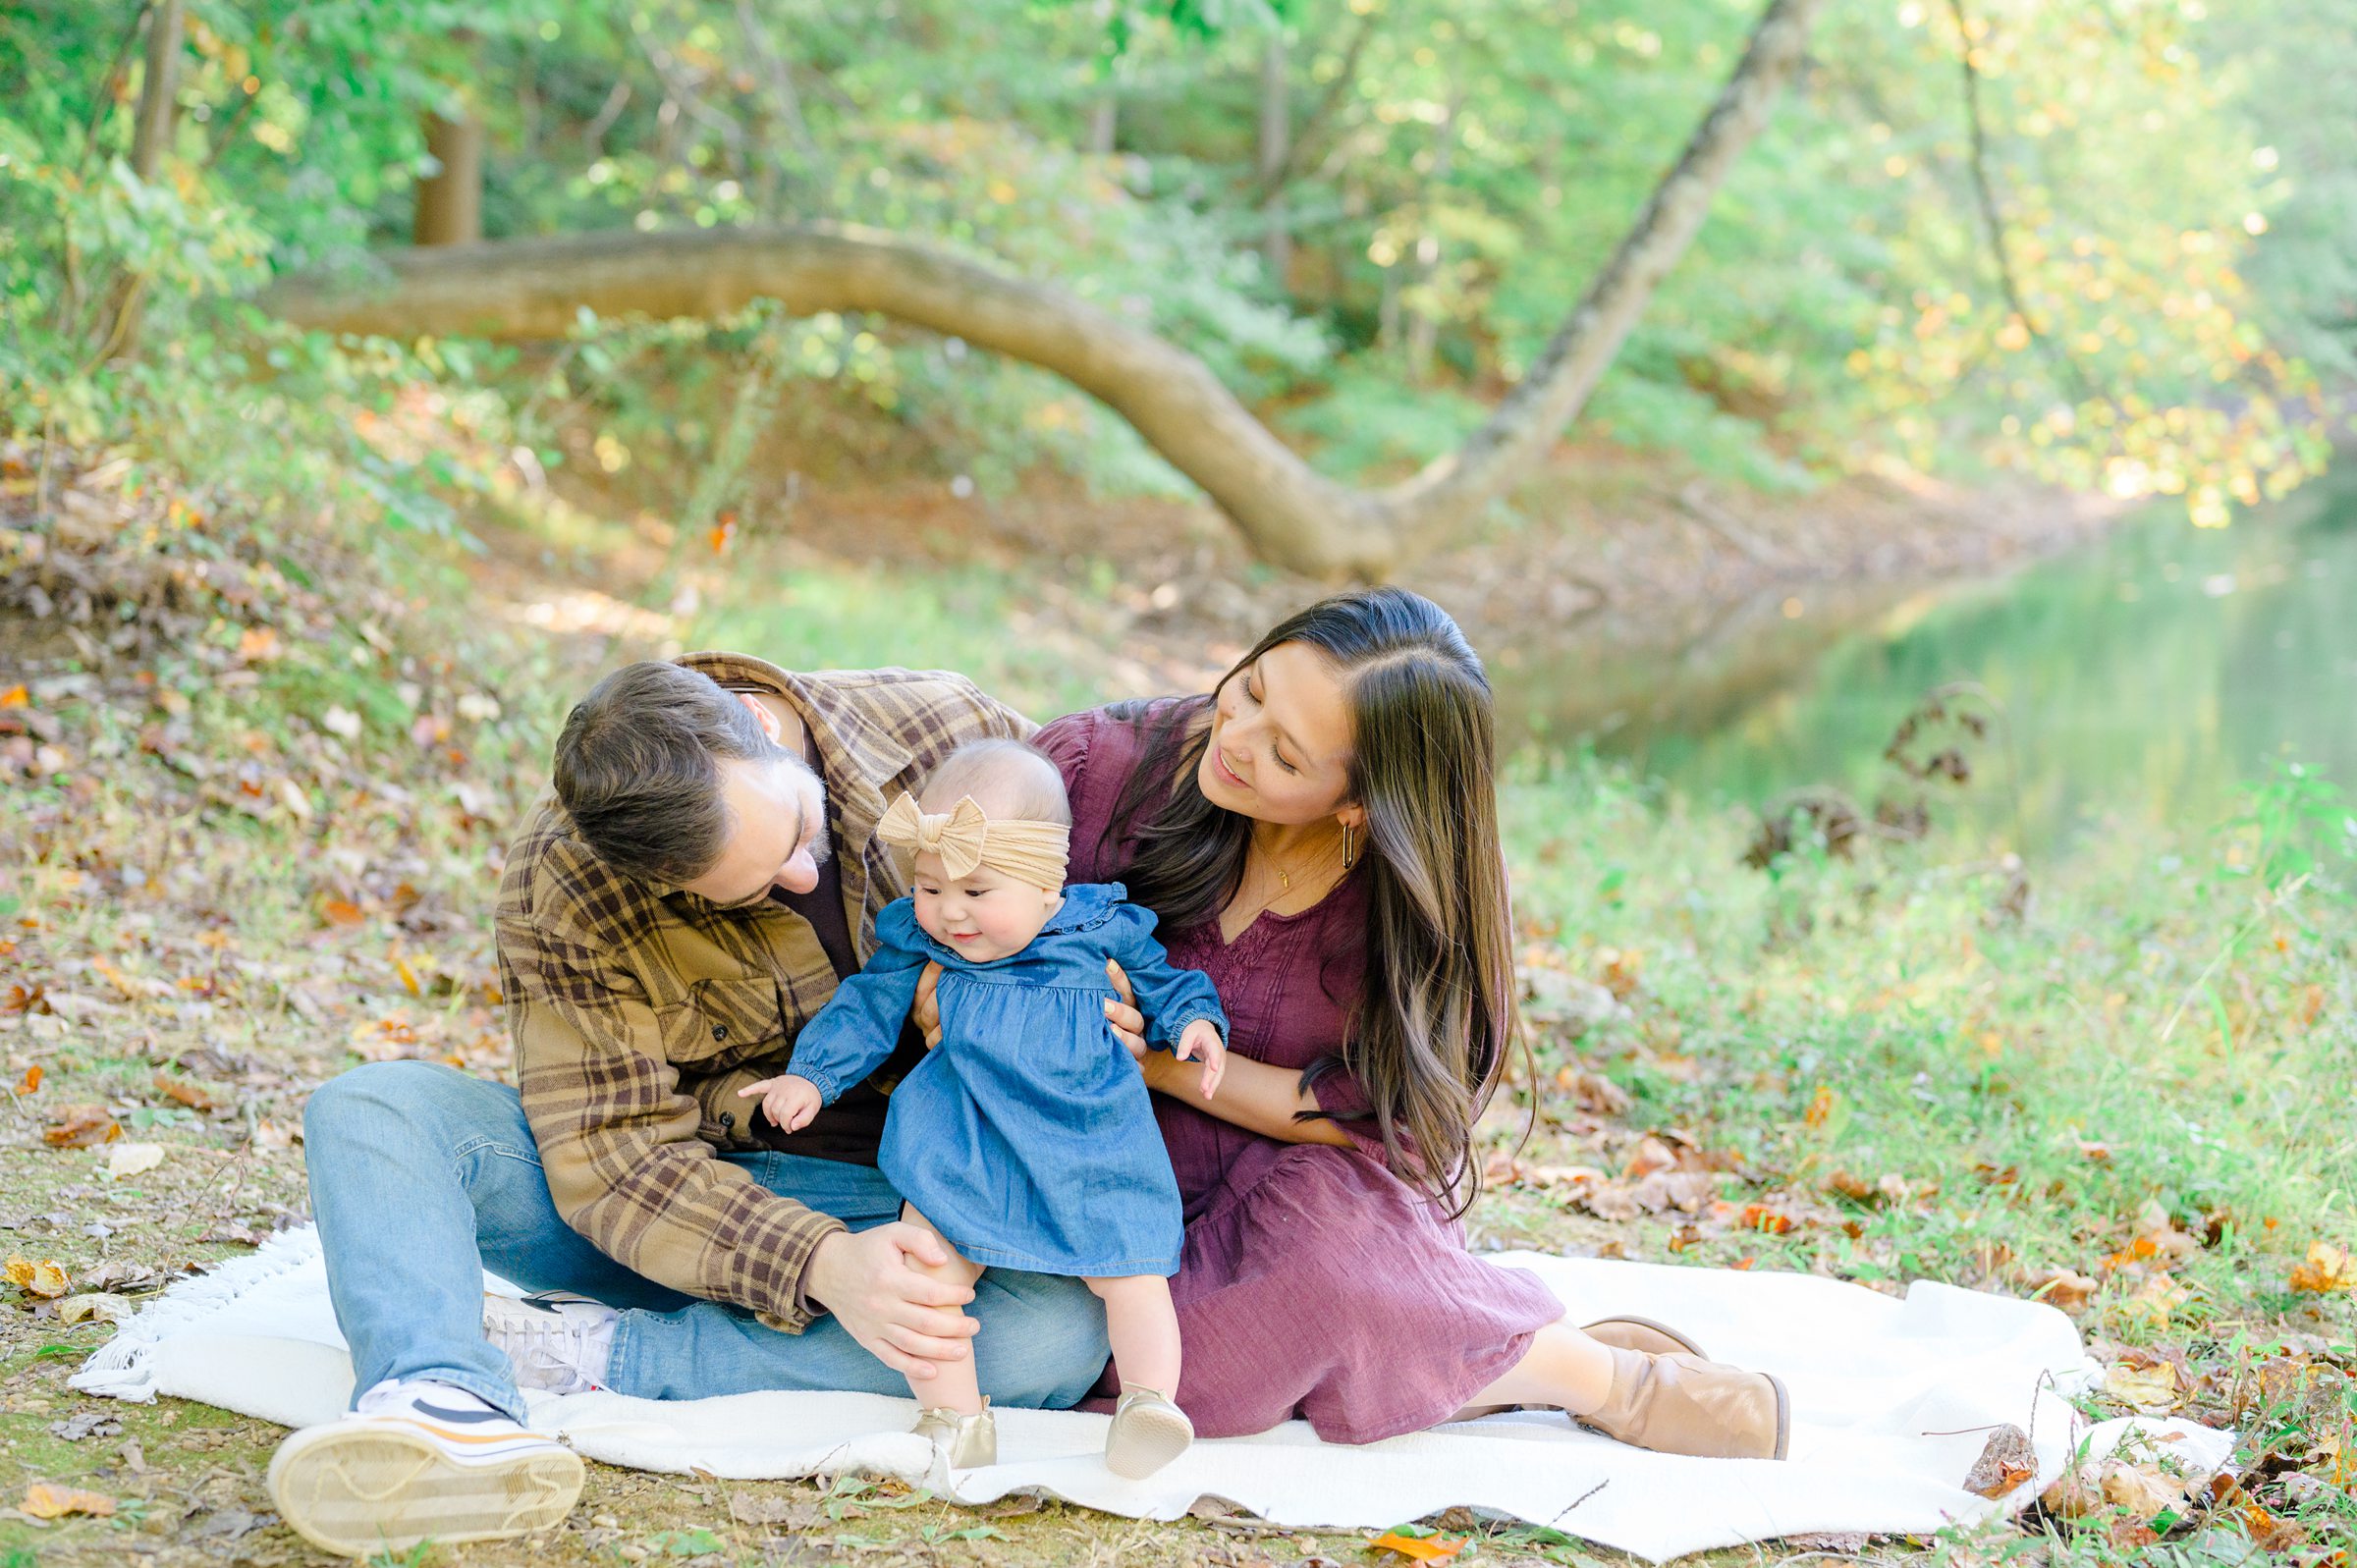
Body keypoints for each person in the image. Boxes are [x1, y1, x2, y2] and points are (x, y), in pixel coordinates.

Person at [265, 658, 1116, 1557]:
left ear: (755, 720)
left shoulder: (942, 729)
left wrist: (1088, 1001)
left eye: (793, 830)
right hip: (692, 1202)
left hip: (935, 1195)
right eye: (742, 888)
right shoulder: (564, 875)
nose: (795, 875)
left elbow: (1106, 908)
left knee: (1056, 1336)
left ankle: (596, 1356)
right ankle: (440, 1400)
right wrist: (822, 1264)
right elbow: (612, 1152)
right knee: (372, 1108)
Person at [1032, 586, 1791, 1460]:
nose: (1232, 739)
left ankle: (1601, 1379)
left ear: (1360, 802)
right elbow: (949, 905)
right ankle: (1468, 1345)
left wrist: (1161, 1066)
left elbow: (1376, 1117)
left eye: (1283, 753)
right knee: (1080, 1342)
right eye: (1249, 688)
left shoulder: (1420, 898)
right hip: (1095, 1166)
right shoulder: (1101, 769)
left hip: (1308, 1179)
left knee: (1220, 1356)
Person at [745, 739, 1228, 1479]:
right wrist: (812, 1076)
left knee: (1133, 1271)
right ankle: (955, 1416)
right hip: (962, 1132)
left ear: (1048, 885)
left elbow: (1168, 981)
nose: (949, 913)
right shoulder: (918, 935)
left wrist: (1193, 1023)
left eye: (976, 892)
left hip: (1090, 1139)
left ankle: (1149, 1403)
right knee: (929, 1272)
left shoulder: (1101, 930)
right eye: (932, 888)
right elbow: (868, 1006)